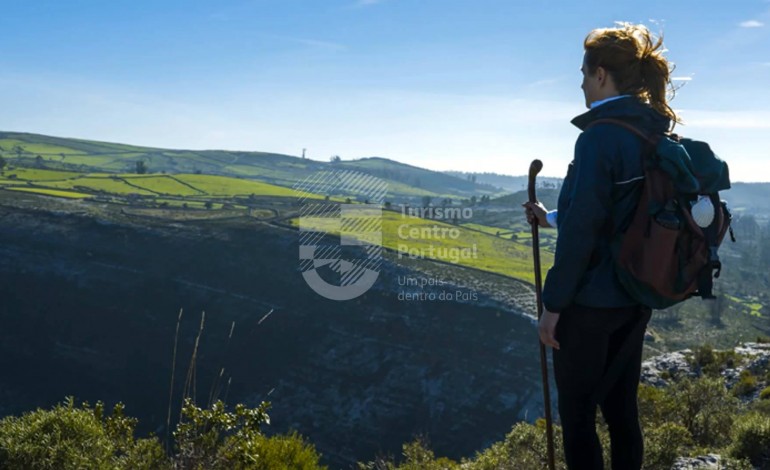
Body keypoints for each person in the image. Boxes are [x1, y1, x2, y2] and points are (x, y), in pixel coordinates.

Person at [524, 23, 679, 470]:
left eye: (583, 72)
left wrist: (553, 306)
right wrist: (550, 217)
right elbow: (617, 215)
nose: (579, 82)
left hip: (590, 304)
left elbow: (584, 233)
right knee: (621, 413)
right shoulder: (652, 134)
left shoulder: (599, 137)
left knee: (577, 416)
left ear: (601, 75)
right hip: (635, 297)